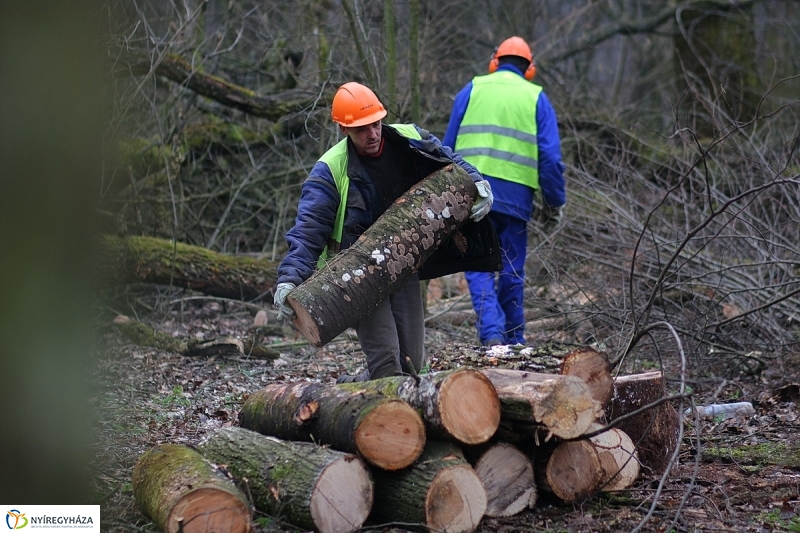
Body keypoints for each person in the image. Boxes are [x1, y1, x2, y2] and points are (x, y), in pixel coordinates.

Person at [274, 82, 501, 382]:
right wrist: (289, 280)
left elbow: (452, 163)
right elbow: (307, 231)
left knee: (412, 361)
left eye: (376, 124)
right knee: (385, 361)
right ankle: (374, 412)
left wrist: (477, 183)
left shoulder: (410, 138)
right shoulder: (330, 169)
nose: (372, 134)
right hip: (356, 276)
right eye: (362, 129)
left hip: (402, 263)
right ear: (344, 130)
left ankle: (353, 388)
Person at [443, 36, 567, 347]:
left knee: (478, 265)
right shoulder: (537, 98)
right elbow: (551, 159)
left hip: (471, 194)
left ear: (495, 61)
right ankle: (513, 337)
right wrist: (554, 202)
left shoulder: (472, 89)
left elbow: (445, 149)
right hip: (515, 199)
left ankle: (493, 336)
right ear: (530, 69)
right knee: (511, 269)